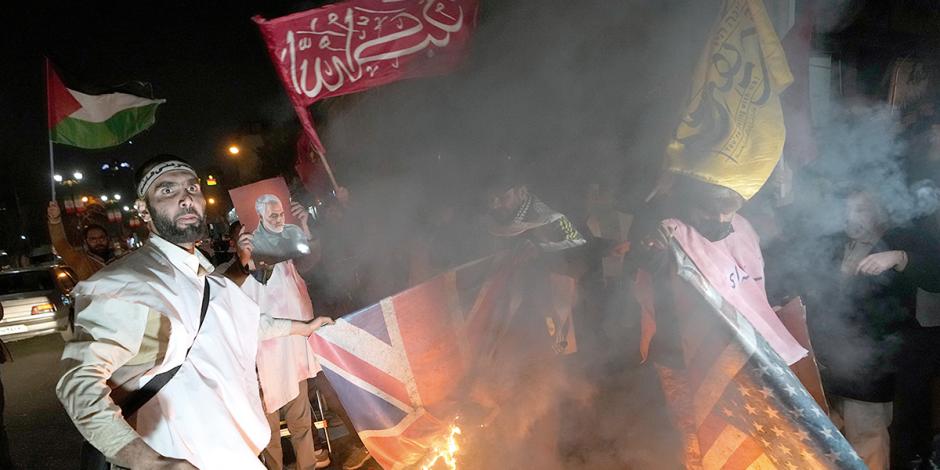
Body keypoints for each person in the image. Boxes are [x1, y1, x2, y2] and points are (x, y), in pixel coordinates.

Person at [56, 155, 333, 469]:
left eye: (192, 188)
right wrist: (150, 463)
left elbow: (243, 323)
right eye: (167, 191)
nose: (185, 197)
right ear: (144, 210)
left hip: (238, 456)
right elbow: (77, 386)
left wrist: (303, 327)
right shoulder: (126, 283)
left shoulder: (205, 277)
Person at [224, 216, 331, 470]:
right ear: (234, 243)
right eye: (244, 237)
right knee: (268, 431)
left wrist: (305, 229)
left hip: (292, 355)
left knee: (301, 422)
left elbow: (311, 258)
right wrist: (243, 259)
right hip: (258, 364)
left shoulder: (285, 261)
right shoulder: (231, 274)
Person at [47, 201, 117, 280]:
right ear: (86, 241)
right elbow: (60, 244)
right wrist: (55, 220)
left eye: (102, 238)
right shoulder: (81, 262)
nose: (98, 241)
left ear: (107, 239)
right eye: (93, 239)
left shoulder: (120, 260)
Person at [252, 194, 314, 266]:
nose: (279, 220)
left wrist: (305, 226)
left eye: (281, 214)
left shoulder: (294, 230)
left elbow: (311, 259)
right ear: (260, 217)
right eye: (274, 216)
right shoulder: (254, 244)